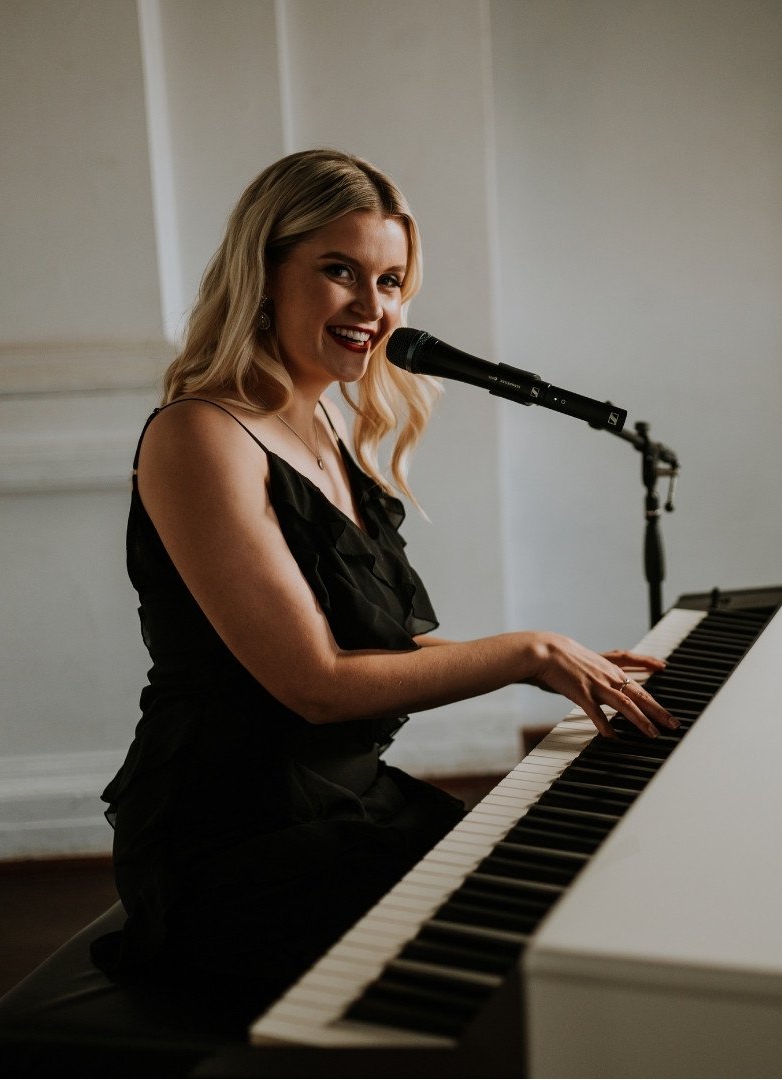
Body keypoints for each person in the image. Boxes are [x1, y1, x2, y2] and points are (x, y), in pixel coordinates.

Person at [93, 148, 675, 1017]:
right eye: (340, 272)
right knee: (510, 968)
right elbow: (317, 686)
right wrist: (526, 652)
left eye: (393, 281)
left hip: (346, 802)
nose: (375, 308)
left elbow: (379, 650)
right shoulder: (200, 435)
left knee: (573, 900)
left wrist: (559, 664)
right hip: (231, 838)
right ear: (264, 273)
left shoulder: (323, 425)